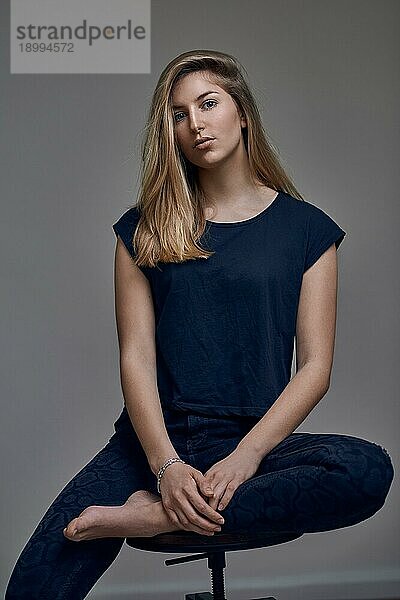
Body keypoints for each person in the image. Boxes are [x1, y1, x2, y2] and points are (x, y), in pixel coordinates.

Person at [6, 49, 394, 600]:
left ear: (243, 113)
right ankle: (164, 501)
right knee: (34, 586)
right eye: (179, 115)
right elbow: (135, 358)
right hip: (152, 444)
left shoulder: (307, 231)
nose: (195, 124)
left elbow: (315, 368)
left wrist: (246, 457)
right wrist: (165, 466)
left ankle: (152, 518)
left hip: (252, 441)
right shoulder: (142, 229)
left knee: (364, 471)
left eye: (208, 104)